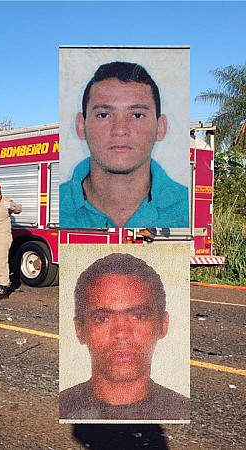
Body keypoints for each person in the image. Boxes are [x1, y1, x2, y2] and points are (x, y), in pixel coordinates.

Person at [59, 253, 189, 421]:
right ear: (80, 330)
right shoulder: (61, 407)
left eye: (139, 316)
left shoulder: (182, 411)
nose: (121, 333)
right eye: (102, 318)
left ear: (163, 325)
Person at [60, 61, 188, 228]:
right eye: (104, 115)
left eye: (137, 115)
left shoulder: (189, 207)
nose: (120, 130)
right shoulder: (56, 205)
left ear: (161, 127)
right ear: (81, 126)